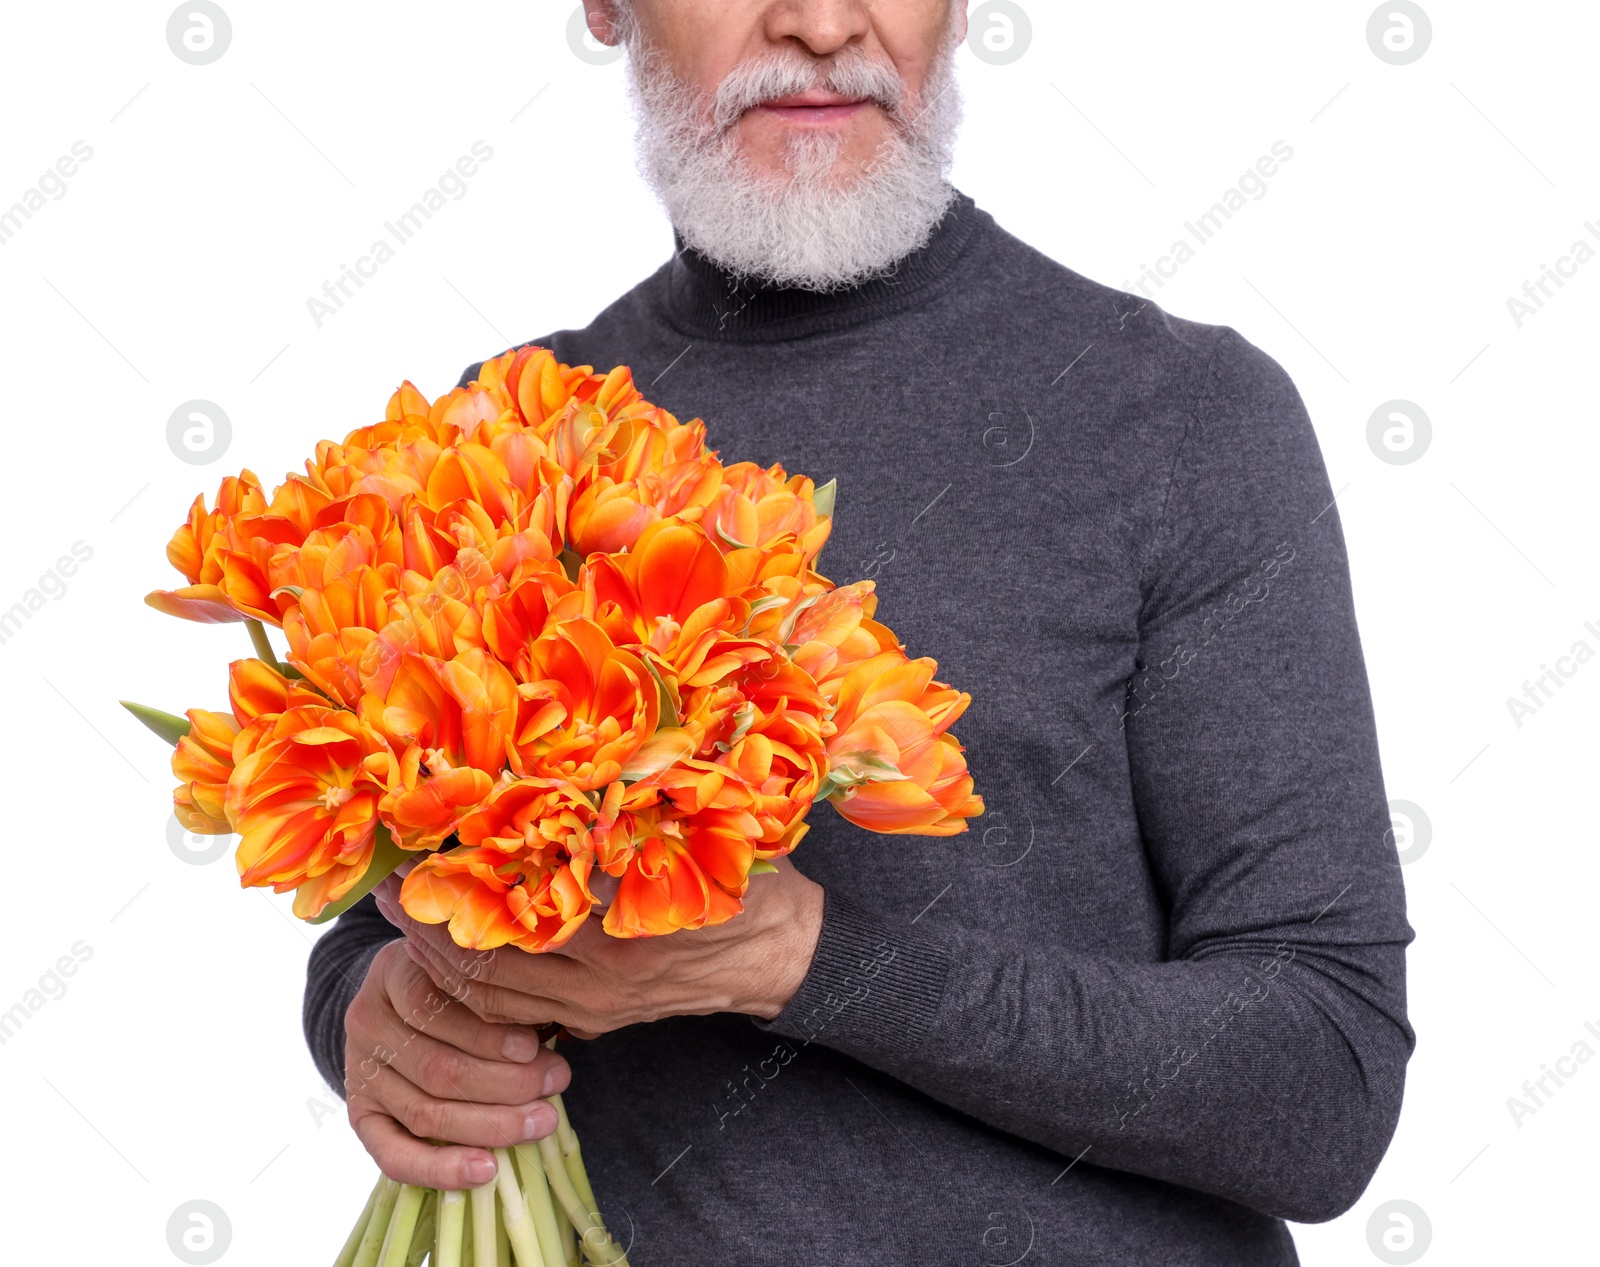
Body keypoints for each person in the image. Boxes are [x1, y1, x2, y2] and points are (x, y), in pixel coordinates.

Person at [305, 2, 1415, 1262]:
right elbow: (386, 918)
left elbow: (1324, 1085)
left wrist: (801, 959)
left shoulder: (1185, 421)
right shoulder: (510, 441)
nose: (825, 24)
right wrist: (372, 1015)